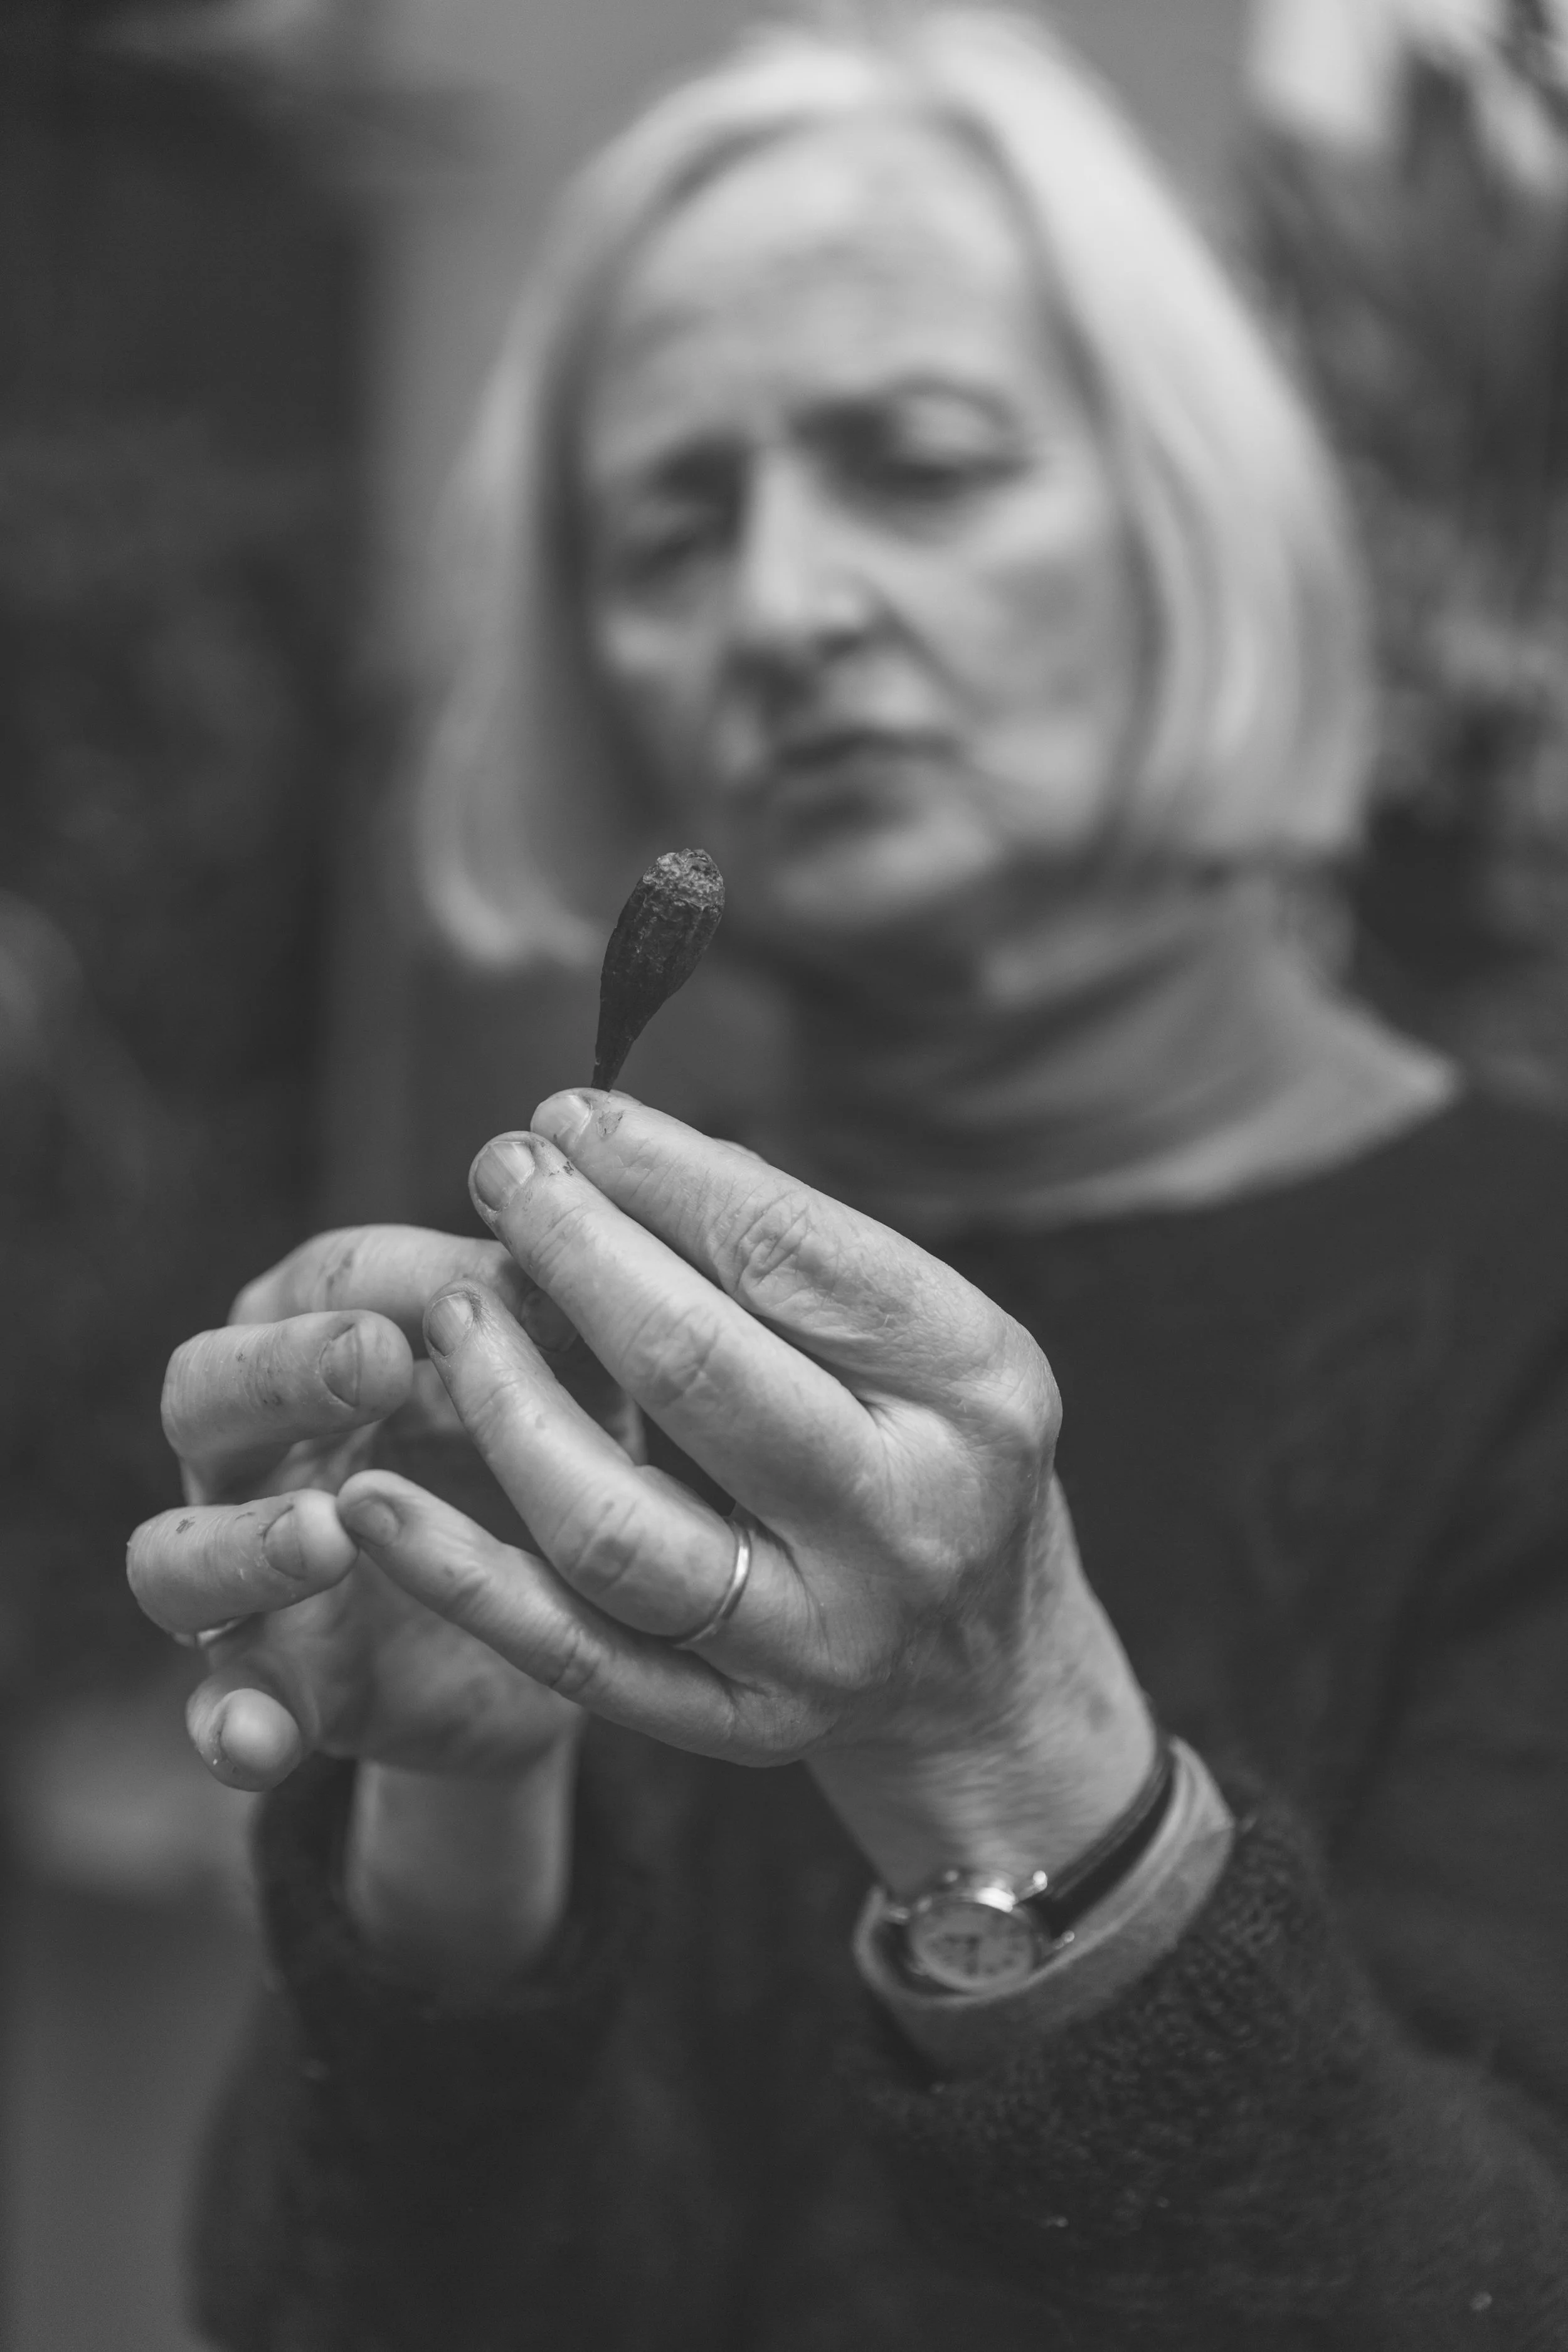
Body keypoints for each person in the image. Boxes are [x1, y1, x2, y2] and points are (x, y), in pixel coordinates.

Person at [127, 12, 1568, 2345]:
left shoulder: (1522, 1310)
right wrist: (458, 1827)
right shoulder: (570, 1356)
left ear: (1175, 519)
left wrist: (1004, 1750)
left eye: (917, 463)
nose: (787, 605)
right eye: (674, 522)